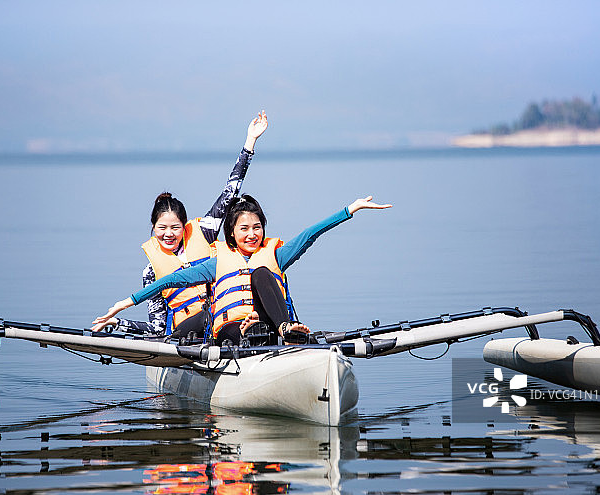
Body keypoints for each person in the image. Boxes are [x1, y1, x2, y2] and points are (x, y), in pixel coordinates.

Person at [92, 193, 391, 345]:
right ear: (232, 233)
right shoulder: (218, 261)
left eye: (257, 227)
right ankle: (252, 335)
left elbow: (309, 234)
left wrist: (349, 210)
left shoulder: (276, 254)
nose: (252, 234)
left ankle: (283, 330)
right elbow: (172, 279)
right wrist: (125, 303)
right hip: (230, 329)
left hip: (274, 326)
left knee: (261, 272)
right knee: (230, 329)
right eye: (244, 228)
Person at [104, 111, 268, 338]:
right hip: (187, 332)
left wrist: (250, 141)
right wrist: (117, 323)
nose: (168, 234)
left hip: (227, 321)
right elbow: (157, 328)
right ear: (153, 228)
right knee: (209, 314)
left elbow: (231, 190)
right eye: (162, 228)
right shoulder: (151, 272)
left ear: (185, 226)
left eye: (175, 228)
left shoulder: (205, 232)